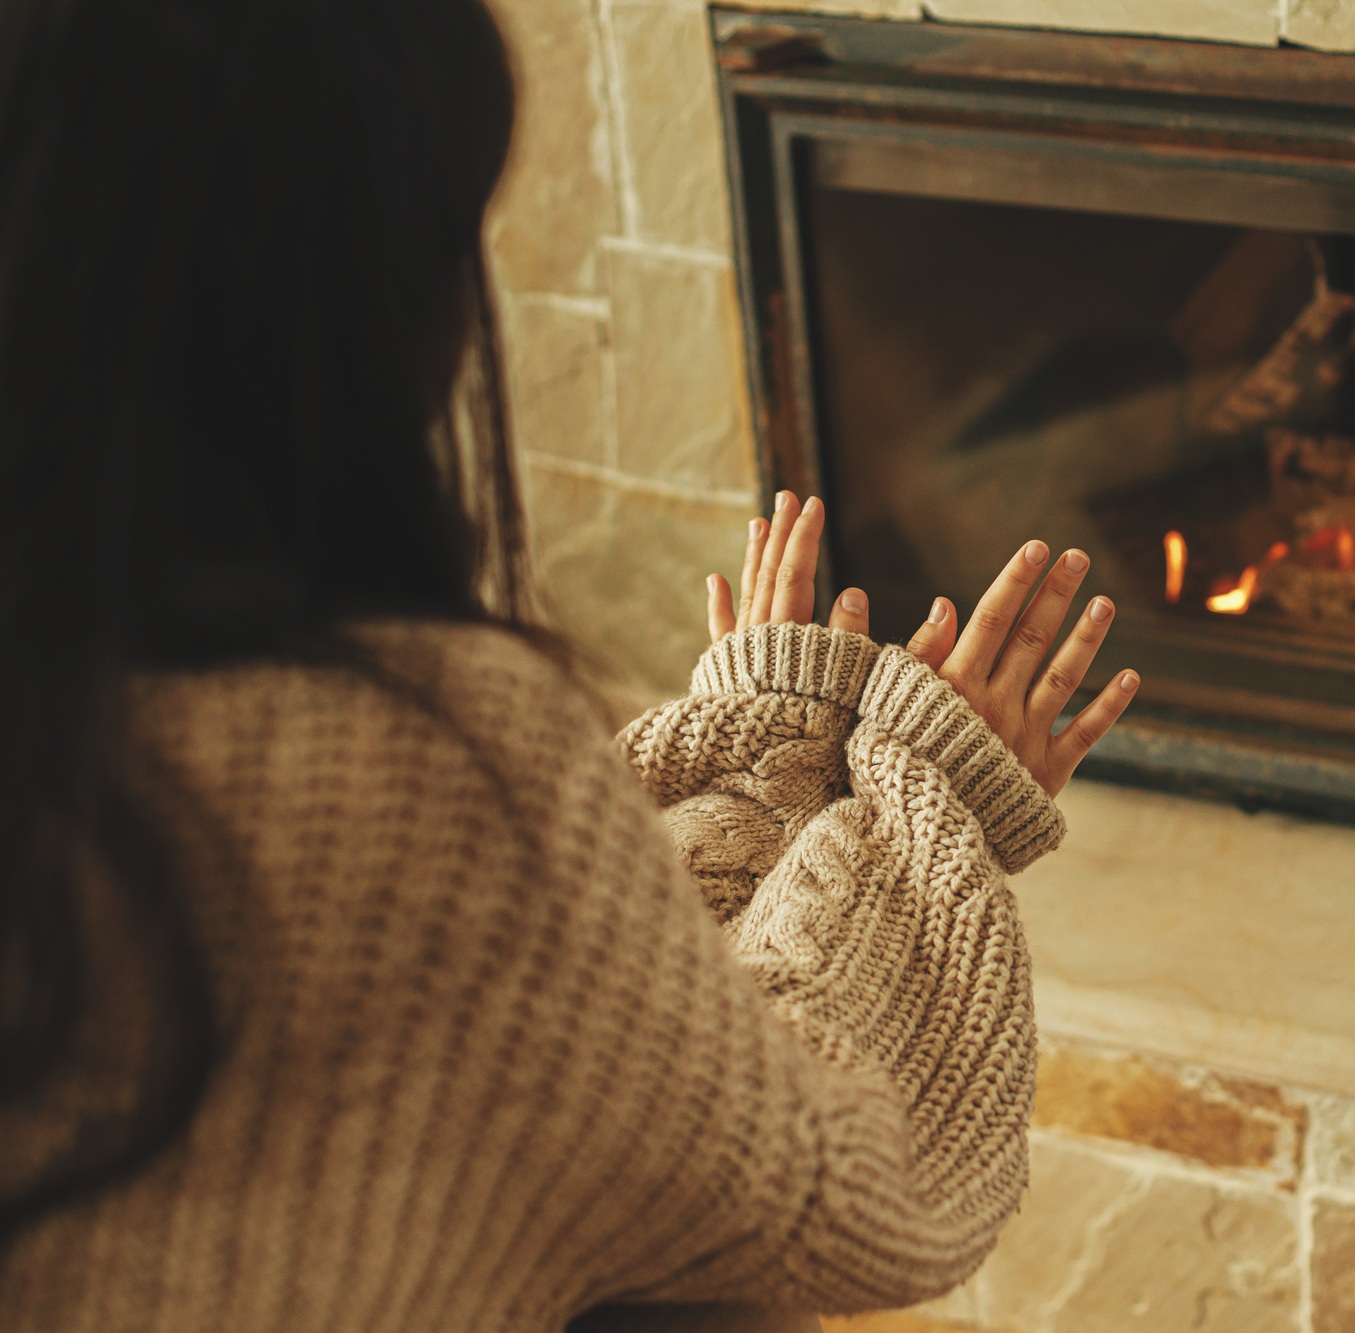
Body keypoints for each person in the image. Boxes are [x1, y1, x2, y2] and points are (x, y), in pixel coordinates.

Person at [0, 1, 1137, 1329]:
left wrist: (762, 751)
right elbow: (825, 1193)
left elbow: (567, 1063)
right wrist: (914, 803)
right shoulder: (398, 773)